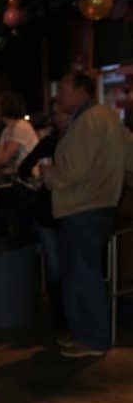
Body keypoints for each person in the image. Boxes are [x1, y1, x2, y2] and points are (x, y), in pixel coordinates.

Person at [42, 70, 129, 357]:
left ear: (81, 90)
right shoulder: (105, 117)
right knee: (84, 273)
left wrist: (48, 175)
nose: (59, 95)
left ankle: (93, 339)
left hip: (84, 207)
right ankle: (85, 334)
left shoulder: (89, 121)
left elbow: (73, 170)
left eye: (64, 88)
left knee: (84, 275)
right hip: (97, 205)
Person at [18, 100, 70, 330]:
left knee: (56, 265)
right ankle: (60, 316)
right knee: (58, 265)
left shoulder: (54, 143)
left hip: (57, 211)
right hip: (53, 213)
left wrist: (38, 180)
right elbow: (25, 167)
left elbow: (24, 168)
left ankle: (60, 316)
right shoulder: (53, 143)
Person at [0, 92, 38, 182]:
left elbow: (3, 159)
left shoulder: (21, 126)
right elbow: (0, 158)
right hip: (15, 176)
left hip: (29, 178)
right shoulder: (6, 131)